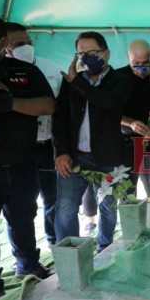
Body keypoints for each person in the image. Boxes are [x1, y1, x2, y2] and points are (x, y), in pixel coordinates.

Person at [0, 13, 56, 300]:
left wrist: (12, 102)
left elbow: (47, 105)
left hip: (21, 160)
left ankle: (27, 263)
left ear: (1, 42)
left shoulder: (23, 71)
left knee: (23, 215)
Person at [53, 31, 132, 253]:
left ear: (106, 53)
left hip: (108, 158)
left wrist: (78, 82)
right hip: (75, 157)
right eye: (81, 54)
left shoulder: (120, 81)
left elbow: (110, 104)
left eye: (92, 52)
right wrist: (61, 152)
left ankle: (104, 250)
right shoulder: (71, 84)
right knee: (66, 208)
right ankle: (69, 259)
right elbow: (59, 119)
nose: (86, 58)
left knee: (107, 206)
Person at [4, 22, 62, 245]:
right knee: (22, 205)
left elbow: (56, 107)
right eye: (20, 44)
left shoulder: (50, 68)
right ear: (3, 45)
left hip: (48, 144)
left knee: (53, 198)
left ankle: (54, 242)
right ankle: (25, 259)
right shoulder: (1, 74)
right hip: (17, 149)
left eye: (29, 43)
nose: (27, 47)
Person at [118, 40, 150, 200]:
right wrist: (130, 123)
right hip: (128, 138)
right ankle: (130, 217)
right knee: (127, 183)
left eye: (146, 62)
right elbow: (109, 112)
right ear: (128, 58)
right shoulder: (118, 78)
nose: (141, 67)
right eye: (136, 63)